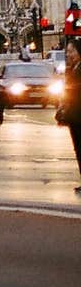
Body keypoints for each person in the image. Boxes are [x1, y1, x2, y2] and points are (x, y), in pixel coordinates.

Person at [55, 37, 81, 192]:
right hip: (74, 115)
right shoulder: (74, 67)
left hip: (78, 114)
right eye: (68, 51)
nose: (69, 54)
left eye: (72, 51)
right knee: (78, 148)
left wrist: (69, 90)